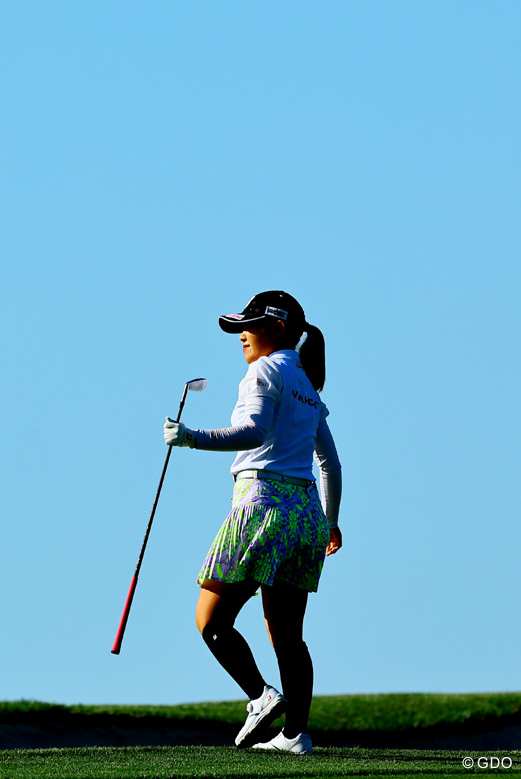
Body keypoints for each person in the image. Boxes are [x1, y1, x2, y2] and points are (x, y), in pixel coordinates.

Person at [162, 290, 342, 755]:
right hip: (306, 516)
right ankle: (295, 736)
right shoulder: (305, 382)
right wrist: (331, 522)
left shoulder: (262, 370)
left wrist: (189, 438)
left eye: (250, 325)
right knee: (288, 635)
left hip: (261, 505)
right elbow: (331, 464)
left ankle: (261, 696)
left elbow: (254, 432)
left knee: (210, 620)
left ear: (277, 328)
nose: (242, 334)